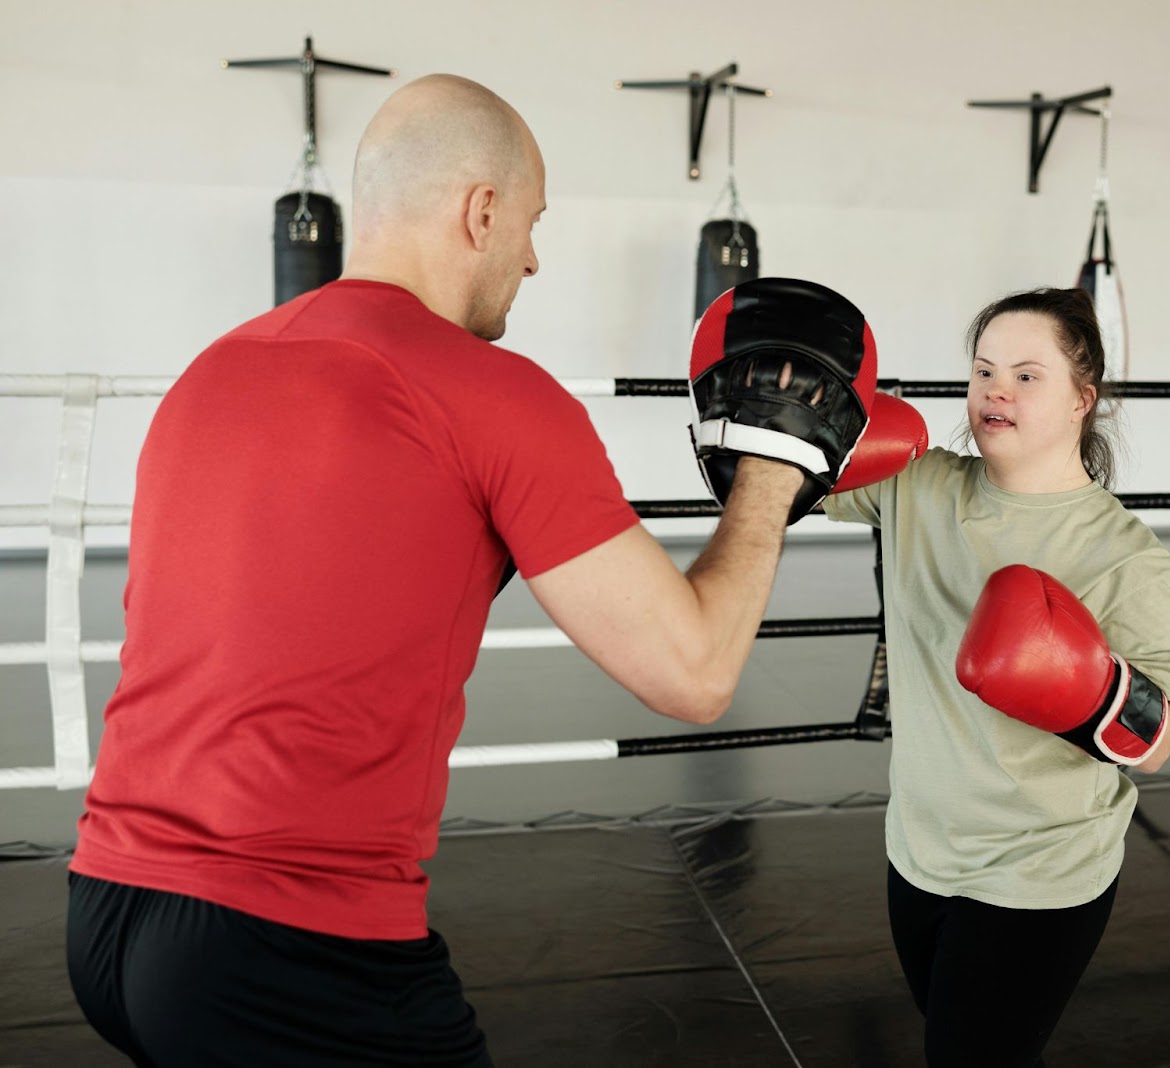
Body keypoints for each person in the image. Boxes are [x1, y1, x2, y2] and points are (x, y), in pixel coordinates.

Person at [65, 74, 885, 1066]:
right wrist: (772, 472)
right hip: (286, 942)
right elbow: (695, 670)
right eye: (532, 224)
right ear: (481, 210)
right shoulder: (488, 394)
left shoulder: (213, 372)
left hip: (103, 911)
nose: (533, 259)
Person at [824, 287, 1170, 1067]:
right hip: (918, 853)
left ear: (1080, 402)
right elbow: (791, 478)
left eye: (1028, 375)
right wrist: (798, 398)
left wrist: (1080, 682)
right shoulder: (917, 485)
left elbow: (1155, 744)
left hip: (1040, 874)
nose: (996, 389)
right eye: (984, 370)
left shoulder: (1129, 560)